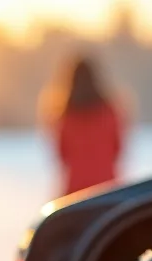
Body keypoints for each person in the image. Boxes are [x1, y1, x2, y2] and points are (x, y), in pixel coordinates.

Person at [41, 54, 125, 196]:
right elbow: (117, 149)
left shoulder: (63, 116)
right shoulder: (110, 111)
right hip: (108, 190)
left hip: (75, 192)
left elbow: (62, 155)